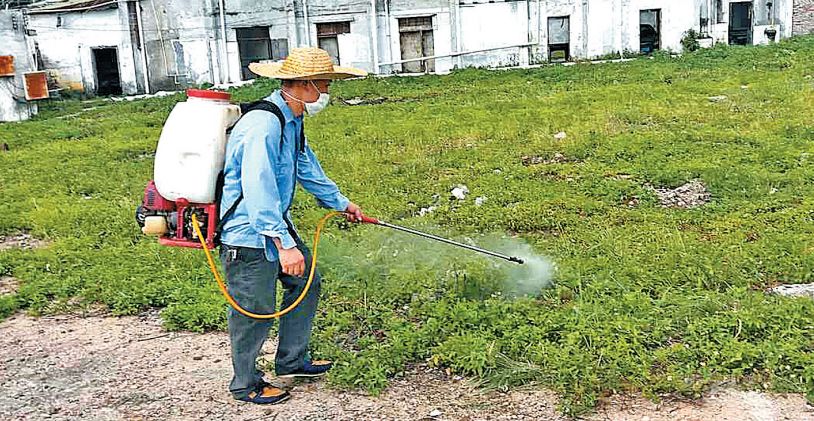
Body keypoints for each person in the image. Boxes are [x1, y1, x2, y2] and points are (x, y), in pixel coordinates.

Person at [218, 47, 367, 405]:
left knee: (305, 282)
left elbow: (306, 168)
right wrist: (284, 245)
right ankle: (245, 382)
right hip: (248, 232)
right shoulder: (264, 125)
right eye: (325, 85)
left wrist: (341, 203)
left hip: (271, 223)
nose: (328, 93)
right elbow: (258, 188)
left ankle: (291, 360)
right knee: (253, 308)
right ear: (304, 84)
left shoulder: (291, 119)